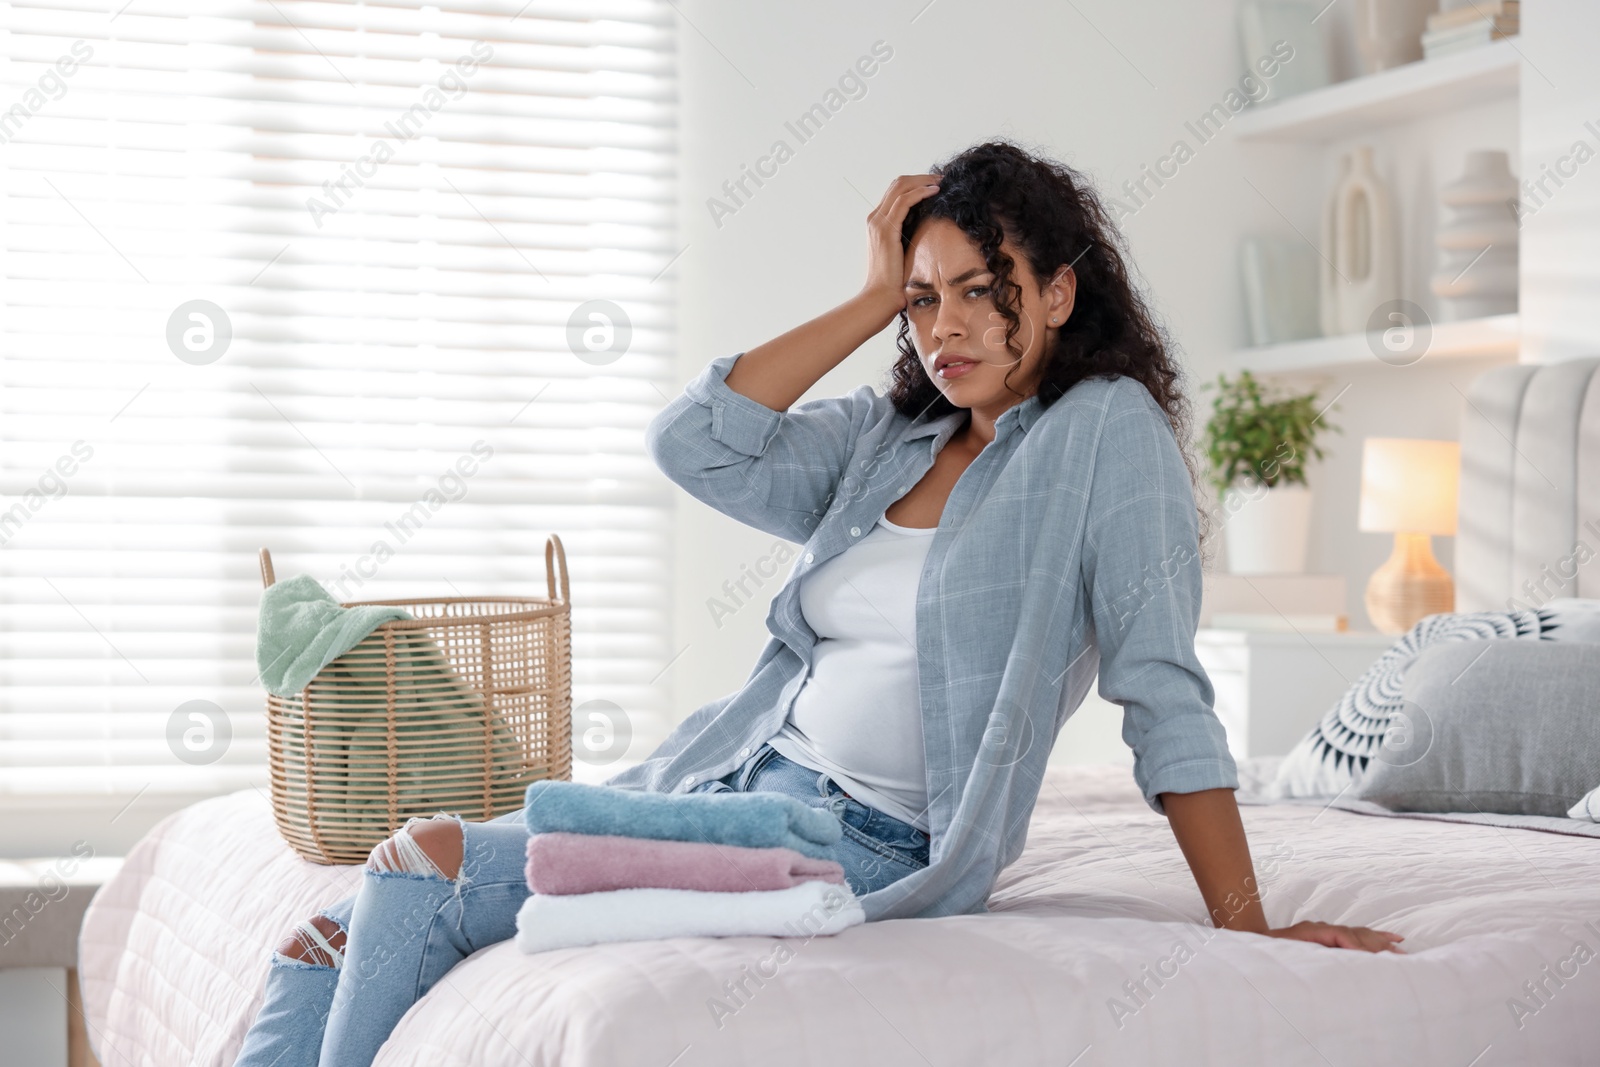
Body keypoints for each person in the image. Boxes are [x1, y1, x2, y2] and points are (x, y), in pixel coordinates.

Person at [234, 139, 1404, 1067]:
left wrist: (1245, 925)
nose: (942, 326)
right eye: (921, 296)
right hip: (735, 781)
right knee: (315, 943)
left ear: (1056, 289)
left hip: (851, 842)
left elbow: (1161, 687)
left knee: (414, 862)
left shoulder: (1106, 437)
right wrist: (863, 296)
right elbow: (696, 444)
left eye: (979, 292)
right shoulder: (892, 435)